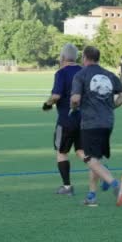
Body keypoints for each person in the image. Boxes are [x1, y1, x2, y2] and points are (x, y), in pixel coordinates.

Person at [71, 46, 122, 207]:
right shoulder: (109, 74)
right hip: (108, 122)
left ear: (84, 58)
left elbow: (76, 99)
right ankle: (92, 196)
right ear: (97, 58)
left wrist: (74, 108)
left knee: (86, 156)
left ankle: (116, 185)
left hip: (91, 123)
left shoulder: (81, 75)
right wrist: (112, 106)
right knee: (95, 159)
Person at [42, 44, 84, 196]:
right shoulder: (83, 71)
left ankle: (67, 187)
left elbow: (56, 96)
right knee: (81, 151)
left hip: (66, 120)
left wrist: (47, 105)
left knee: (61, 152)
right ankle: (102, 170)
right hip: (83, 119)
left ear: (62, 57)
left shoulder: (61, 73)